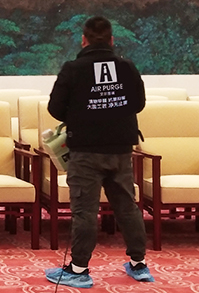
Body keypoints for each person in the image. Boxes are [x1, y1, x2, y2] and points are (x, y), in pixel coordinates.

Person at [44, 16, 153, 288]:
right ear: (112, 40)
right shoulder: (127, 67)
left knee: (85, 210)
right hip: (121, 149)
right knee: (127, 207)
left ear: (84, 40)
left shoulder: (73, 69)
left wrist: (82, 113)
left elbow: (55, 109)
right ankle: (139, 264)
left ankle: (79, 270)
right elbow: (138, 103)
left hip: (86, 152)